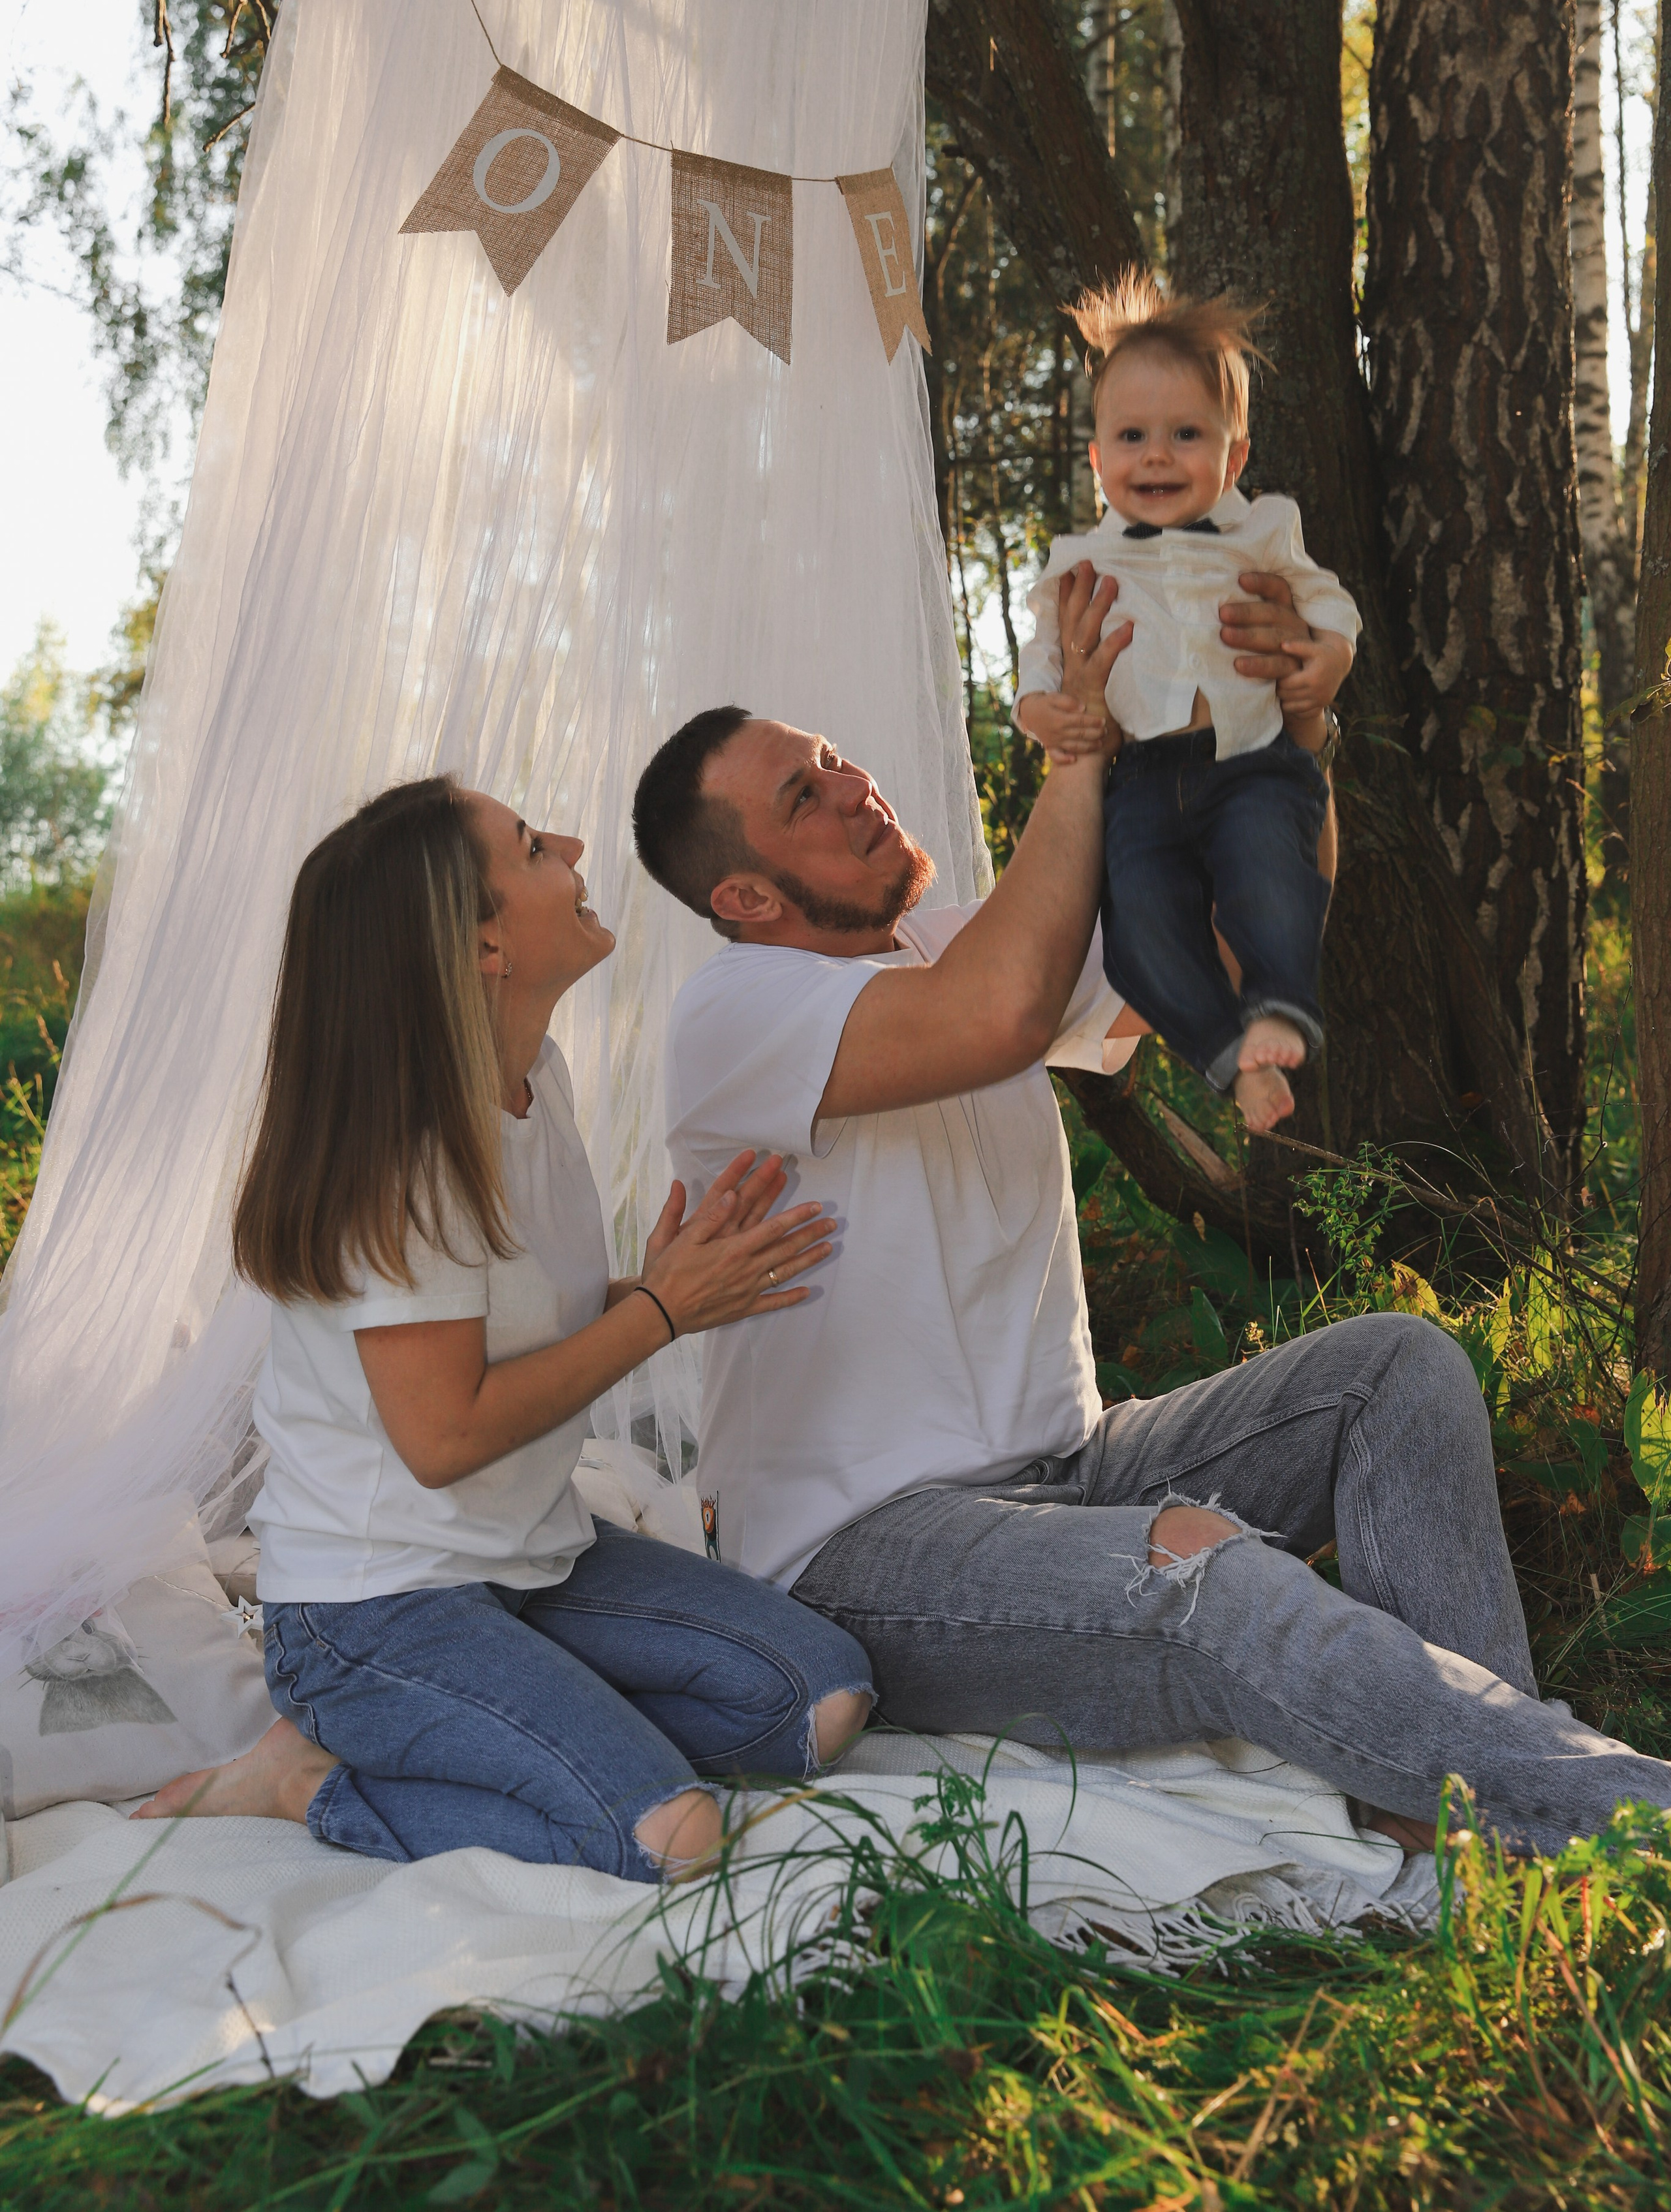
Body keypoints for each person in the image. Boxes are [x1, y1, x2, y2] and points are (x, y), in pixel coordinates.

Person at [630, 574, 1671, 1858]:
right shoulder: (731, 1018)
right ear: (743, 898)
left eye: (837, 764)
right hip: (866, 1552)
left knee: (1392, 1370)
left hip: (1068, 1470)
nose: (855, 788)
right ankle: (1609, 1816)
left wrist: (1290, 739)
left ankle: (1443, 1797)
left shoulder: (946, 951)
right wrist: (1079, 754)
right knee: (1204, 1580)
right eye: (804, 797)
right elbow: (995, 1017)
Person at [138, 777, 872, 1882]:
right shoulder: (404, 1165)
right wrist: (666, 1315)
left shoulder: (534, 1082)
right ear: (483, 946)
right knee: (670, 1838)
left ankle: (528, 1722)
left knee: (819, 1701)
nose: (575, 847)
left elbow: (520, 1331)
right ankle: (305, 1782)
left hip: (534, 1559)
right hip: (377, 1609)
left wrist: (660, 1288)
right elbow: (444, 1435)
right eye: (535, 847)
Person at [1014, 270, 1360, 1133]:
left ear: (1233, 458)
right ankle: (1225, 1056)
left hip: (1251, 762)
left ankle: (1279, 1005)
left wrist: (1327, 660)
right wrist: (1039, 712)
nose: (1157, 455)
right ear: (1097, 460)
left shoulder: (1263, 533)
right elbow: (1042, 656)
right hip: (1141, 781)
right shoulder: (1078, 563)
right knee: (1140, 936)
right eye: (1132, 436)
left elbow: (1329, 607)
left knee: (1269, 877)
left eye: (1186, 435)